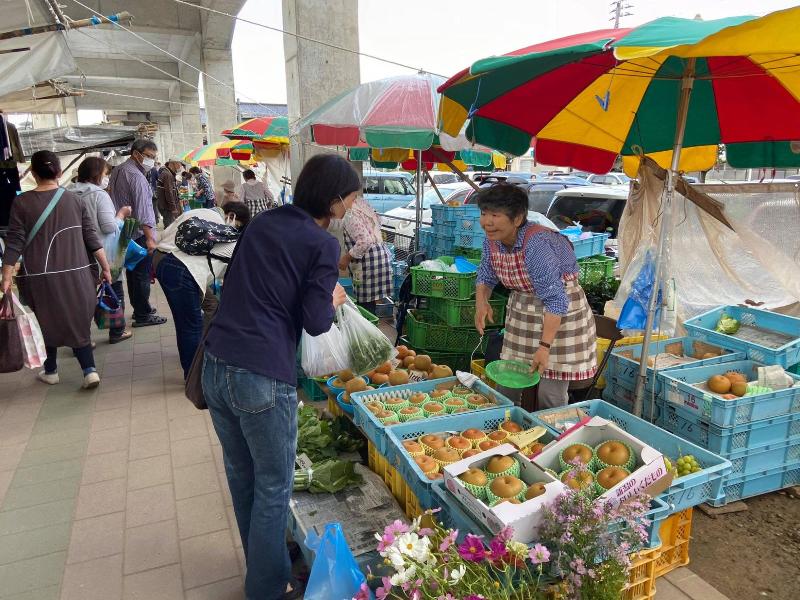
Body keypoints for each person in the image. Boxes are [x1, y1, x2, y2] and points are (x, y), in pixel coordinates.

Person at [201, 153, 353, 600]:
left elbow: (244, 284)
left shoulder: (264, 223)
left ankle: (261, 571)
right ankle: (266, 589)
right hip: (262, 375)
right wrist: (334, 297)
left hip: (217, 364)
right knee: (272, 487)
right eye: (352, 197)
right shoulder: (322, 244)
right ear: (334, 200)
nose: (353, 205)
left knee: (242, 477)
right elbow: (315, 321)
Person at [474, 183, 597, 408]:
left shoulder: (537, 243)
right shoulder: (492, 240)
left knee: (550, 392)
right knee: (507, 382)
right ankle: (505, 428)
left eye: (495, 215)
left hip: (560, 317)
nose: (487, 222)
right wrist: (481, 303)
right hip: (523, 313)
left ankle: (555, 437)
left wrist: (545, 347)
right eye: (484, 214)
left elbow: (556, 299)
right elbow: (485, 275)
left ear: (518, 218)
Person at [1, 151, 113, 388]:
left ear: (32, 173)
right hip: (79, 272)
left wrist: (6, 275)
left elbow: (14, 242)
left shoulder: (21, 202)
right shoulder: (75, 200)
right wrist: (105, 267)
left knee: (45, 320)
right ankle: (89, 370)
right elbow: (91, 238)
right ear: (60, 173)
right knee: (77, 319)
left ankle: (51, 371)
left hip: (39, 276)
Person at [154, 207, 243, 378]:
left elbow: (164, 234)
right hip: (182, 270)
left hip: (161, 257)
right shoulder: (236, 246)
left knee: (207, 307)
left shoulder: (202, 214)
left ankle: (202, 352)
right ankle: (194, 377)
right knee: (190, 326)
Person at [67, 157, 133, 343]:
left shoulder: (68, 193)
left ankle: (81, 339)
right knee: (114, 288)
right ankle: (117, 331)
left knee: (82, 297)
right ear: (97, 174)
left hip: (77, 253)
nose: (107, 178)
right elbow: (109, 226)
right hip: (103, 251)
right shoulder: (98, 195)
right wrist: (121, 214)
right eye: (105, 174)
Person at [107, 139, 168, 328]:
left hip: (123, 231)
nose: (151, 161)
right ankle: (142, 314)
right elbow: (143, 211)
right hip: (138, 233)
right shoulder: (136, 176)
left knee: (133, 273)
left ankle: (141, 308)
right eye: (149, 156)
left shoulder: (119, 170)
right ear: (136, 154)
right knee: (141, 275)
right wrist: (150, 238)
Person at [339, 190, 393, 315]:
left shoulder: (349, 213)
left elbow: (365, 241)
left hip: (368, 262)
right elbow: (378, 220)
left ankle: (370, 331)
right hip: (380, 255)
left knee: (366, 306)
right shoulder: (361, 202)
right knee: (370, 302)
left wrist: (346, 258)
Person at [156, 159, 183, 228]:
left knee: (170, 226)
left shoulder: (168, 173)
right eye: (179, 165)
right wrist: (173, 207)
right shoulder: (167, 175)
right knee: (170, 228)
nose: (180, 167)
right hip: (167, 207)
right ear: (173, 164)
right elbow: (169, 193)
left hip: (165, 206)